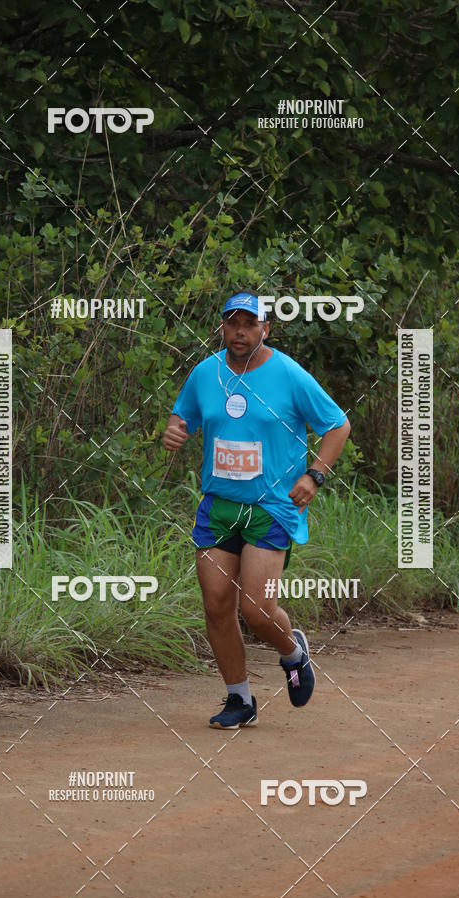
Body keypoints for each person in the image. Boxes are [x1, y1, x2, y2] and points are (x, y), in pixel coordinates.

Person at [162, 292, 351, 728]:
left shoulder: (287, 374)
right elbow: (182, 418)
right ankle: (239, 699)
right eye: (233, 323)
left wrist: (314, 475)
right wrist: (175, 432)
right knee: (216, 605)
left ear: (266, 328)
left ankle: (293, 652)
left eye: (250, 324)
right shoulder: (205, 373)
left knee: (257, 611)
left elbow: (337, 424)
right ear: (223, 327)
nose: (240, 332)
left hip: (270, 508)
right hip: (219, 508)